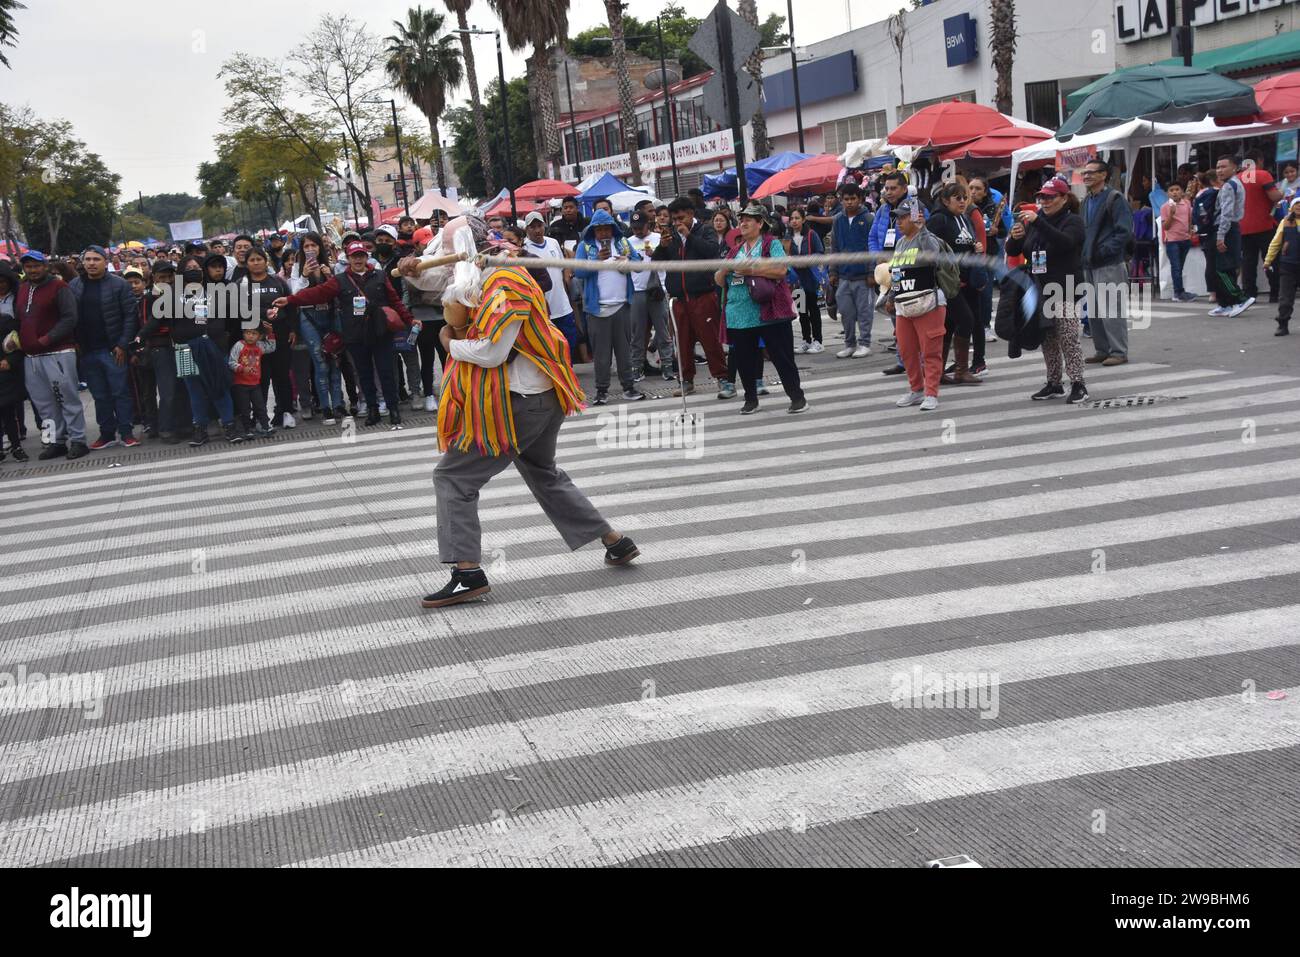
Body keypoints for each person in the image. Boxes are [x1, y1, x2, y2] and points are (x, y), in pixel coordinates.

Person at [425, 243, 639, 608]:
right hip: (541, 399)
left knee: (453, 478)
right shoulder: (498, 282)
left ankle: (467, 573)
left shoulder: (505, 286)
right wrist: (416, 269)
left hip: (518, 405)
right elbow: (443, 287)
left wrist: (449, 345)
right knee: (543, 472)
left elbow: (493, 353)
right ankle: (614, 540)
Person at [270, 240, 411, 428]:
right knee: (364, 373)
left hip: (380, 331)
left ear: (366, 257)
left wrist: (410, 320)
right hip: (355, 334)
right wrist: (290, 299)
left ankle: (393, 409)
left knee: (386, 372)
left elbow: (395, 300)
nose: (358, 259)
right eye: (354, 256)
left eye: (361, 255)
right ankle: (372, 410)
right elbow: (316, 293)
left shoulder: (379, 275)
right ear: (348, 258)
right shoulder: (340, 280)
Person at [135, 255, 242, 446]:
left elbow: (235, 312)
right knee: (195, 391)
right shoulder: (172, 293)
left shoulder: (214, 291)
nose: (193, 269)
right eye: (189, 267)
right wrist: (140, 335)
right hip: (184, 349)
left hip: (212, 348)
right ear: (181, 271)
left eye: (197, 267)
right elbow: (156, 319)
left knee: (219, 387)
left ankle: (229, 426)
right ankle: (200, 429)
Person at [715, 203, 808, 416]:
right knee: (744, 360)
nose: (744, 223)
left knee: (782, 357)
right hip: (738, 314)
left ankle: (797, 397)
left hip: (770, 312)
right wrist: (724, 271)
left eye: (749, 219)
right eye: (742, 219)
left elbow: (781, 269)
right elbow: (720, 280)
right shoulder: (735, 250)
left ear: (760, 223)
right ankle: (750, 398)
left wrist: (748, 268)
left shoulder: (770, 244)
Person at [1006, 177, 1091, 404]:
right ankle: (1054, 382)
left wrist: (1037, 222)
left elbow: (1066, 243)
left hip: (1065, 287)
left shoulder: (1072, 221)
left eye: (1050, 197)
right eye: (1042, 196)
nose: (1045, 201)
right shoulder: (1035, 220)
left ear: (1064, 198)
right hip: (1040, 287)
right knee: (1048, 337)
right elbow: (1015, 249)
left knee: (1068, 336)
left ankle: (1078, 383)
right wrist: (1015, 238)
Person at [881, 197, 957, 412]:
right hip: (904, 304)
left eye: (904, 217)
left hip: (929, 302)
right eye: (898, 217)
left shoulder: (928, 239)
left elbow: (932, 256)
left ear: (915, 218)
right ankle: (916, 389)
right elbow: (896, 273)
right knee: (906, 350)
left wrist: (922, 229)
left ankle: (931, 393)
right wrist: (891, 298)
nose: (899, 222)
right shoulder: (901, 243)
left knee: (931, 351)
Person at [652, 197, 728, 397]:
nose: (677, 223)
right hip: (678, 299)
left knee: (710, 340)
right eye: (674, 219)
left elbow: (713, 253)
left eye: (680, 218)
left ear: (691, 215)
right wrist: (661, 246)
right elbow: (656, 262)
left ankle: (723, 378)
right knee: (682, 342)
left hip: (703, 295)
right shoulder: (671, 237)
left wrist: (690, 237)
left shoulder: (705, 230)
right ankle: (686, 381)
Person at [16, 251, 87, 460]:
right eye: (28, 266)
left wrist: (46, 339)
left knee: (67, 398)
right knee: (43, 403)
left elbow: (69, 318)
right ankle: (55, 442)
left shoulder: (59, 287)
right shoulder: (23, 289)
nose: (33, 270)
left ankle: (78, 440)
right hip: (31, 357)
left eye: (36, 266)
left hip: (58, 352)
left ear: (45, 266)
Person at [68, 246, 140, 449]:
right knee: (99, 395)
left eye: (96, 259)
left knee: (120, 392)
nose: (91, 263)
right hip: (87, 350)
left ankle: (126, 432)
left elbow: (129, 317)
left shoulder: (119, 285)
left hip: (113, 349)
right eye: (88, 259)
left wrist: (122, 344)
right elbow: (70, 317)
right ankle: (106, 433)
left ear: (105, 261)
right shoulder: (74, 285)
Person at [574, 209, 645, 406]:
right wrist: (596, 261)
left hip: (623, 306)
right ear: (593, 231)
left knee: (625, 352)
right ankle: (601, 391)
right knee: (601, 355)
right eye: (599, 230)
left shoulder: (622, 243)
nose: (604, 233)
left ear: (613, 228)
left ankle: (629, 387)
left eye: (607, 229)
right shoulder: (585, 246)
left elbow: (639, 264)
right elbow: (578, 272)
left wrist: (628, 261)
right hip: (597, 310)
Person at [926, 183, 984, 387]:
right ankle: (961, 370)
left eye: (964, 197)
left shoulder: (965, 218)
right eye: (957, 198)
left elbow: (962, 243)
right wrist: (942, 277)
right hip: (948, 282)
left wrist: (975, 246)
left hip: (967, 280)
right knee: (965, 320)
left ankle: (939, 372)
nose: (962, 201)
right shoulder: (938, 220)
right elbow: (931, 250)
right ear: (945, 200)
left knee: (950, 325)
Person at [287, 232, 346, 424]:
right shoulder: (297, 268)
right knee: (320, 362)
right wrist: (304, 274)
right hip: (308, 317)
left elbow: (340, 291)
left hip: (331, 315)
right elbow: (294, 294)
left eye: (314, 245)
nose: (310, 249)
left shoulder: (331, 266)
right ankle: (325, 407)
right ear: (301, 250)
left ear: (320, 247)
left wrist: (329, 276)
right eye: (306, 247)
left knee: (335, 360)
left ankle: (338, 405)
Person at [1080, 159, 1134, 366]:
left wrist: (1105, 250)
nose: (1086, 176)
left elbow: (1124, 232)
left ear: (1104, 175)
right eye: (1084, 173)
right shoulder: (1086, 201)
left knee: (1112, 309)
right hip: (1089, 262)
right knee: (1093, 310)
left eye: (1091, 173)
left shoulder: (1115, 198)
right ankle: (1102, 349)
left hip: (1109, 261)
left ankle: (1119, 351)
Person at [137, 259, 192, 443]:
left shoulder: (180, 294)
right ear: (154, 277)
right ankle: (166, 428)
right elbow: (146, 325)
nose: (167, 280)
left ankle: (185, 424)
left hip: (182, 344)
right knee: (168, 390)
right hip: (161, 348)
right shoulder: (149, 298)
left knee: (184, 387)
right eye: (162, 277)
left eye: (170, 276)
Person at [242, 247, 297, 428]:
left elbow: (290, 306)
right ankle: (260, 416)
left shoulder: (278, 281)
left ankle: (286, 412)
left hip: (280, 334)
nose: (256, 263)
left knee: (281, 375)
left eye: (259, 259)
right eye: (252, 260)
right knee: (260, 378)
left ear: (266, 261)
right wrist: (261, 318)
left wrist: (293, 329)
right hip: (254, 338)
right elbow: (238, 309)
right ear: (246, 263)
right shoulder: (241, 284)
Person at [625, 211, 675, 382]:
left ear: (649, 225)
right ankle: (637, 367)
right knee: (637, 333)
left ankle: (667, 366)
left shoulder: (659, 238)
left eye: (641, 227)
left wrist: (656, 252)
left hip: (657, 289)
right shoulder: (627, 242)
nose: (637, 231)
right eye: (634, 228)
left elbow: (669, 259)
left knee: (663, 331)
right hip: (637, 291)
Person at [523, 210, 578, 361]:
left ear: (544, 226)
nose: (537, 230)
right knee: (550, 351)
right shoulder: (524, 249)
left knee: (569, 345)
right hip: (543, 310)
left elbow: (562, 270)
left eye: (539, 226)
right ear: (526, 230)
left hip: (562, 306)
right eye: (532, 227)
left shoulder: (553, 243)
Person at [1207, 154, 1251, 319]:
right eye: (1218, 167)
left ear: (1234, 168)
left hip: (1226, 228)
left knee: (1222, 269)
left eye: (1223, 167)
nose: (1219, 170)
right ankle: (1225, 304)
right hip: (1230, 228)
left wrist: (1220, 236)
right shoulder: (1233, 184)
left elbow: (1226, 213)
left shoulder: (1228, 186)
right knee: (1223, 267)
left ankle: (1240, 299)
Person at [1237, 156, 1283, 304]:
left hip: (1243, 227)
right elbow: (1274, 196)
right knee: (1270, 260)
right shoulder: (1263, 174)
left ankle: (1250, 294)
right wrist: (1282, 193)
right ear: (1259, 161)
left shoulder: (1236, 179)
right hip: (1264, 225)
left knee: (1248, 263)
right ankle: (1275, 293)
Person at [228, 322, 277, 438]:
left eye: (254, 333)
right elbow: (231, 362)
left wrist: (270, 333)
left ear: (259, 336)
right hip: (240, 383)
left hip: (255, 383)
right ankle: (247, 429)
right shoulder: (239, 345)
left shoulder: (259, 346)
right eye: (248, 333)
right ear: (243, 333)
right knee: (245, 408)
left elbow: (271, 347)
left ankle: (266, 427)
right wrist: (241, 368)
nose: (250, 336)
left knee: (260, 406)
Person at [0, 262, 27, 462]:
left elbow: (15, 344)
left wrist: (9, 360)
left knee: (10, 411)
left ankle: (16, 445)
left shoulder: (7, 320)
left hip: (6, 368)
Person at [787, 207, 825, 354]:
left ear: (803, 219)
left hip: (811, 278)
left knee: (813, 310)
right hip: (796, 279)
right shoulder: (788, 238)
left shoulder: (811, 234)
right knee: (802, 311)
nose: (794, 221)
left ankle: (818, 341)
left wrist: (806, 261)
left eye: (797, 218)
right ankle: (806, 340)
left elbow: (820, 253)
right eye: (791, 219)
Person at [1263, 196, 1300, 336]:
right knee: (1285, 298)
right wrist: (1268, 260)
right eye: (1297, 204)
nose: (1299, 206)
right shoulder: (1285, 222)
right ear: (1291, 207)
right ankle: (1283, 324)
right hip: (1288, 265)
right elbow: (1275, 243)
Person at [1159, 182, 1197, 302]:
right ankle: (1178, 292)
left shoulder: (1186, 203)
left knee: (1180, 267)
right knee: (1176, 267)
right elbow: (1166, 226)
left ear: (1181, 191)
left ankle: (1180, 291)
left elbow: (1189, 220)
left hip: (1185, 239)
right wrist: (1171, 214)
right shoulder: (1165, 207)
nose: (1175, 192)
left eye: (1177, 189)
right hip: (1172, 241)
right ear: (1167, 193)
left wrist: (1190, 232)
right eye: (1171, 190)